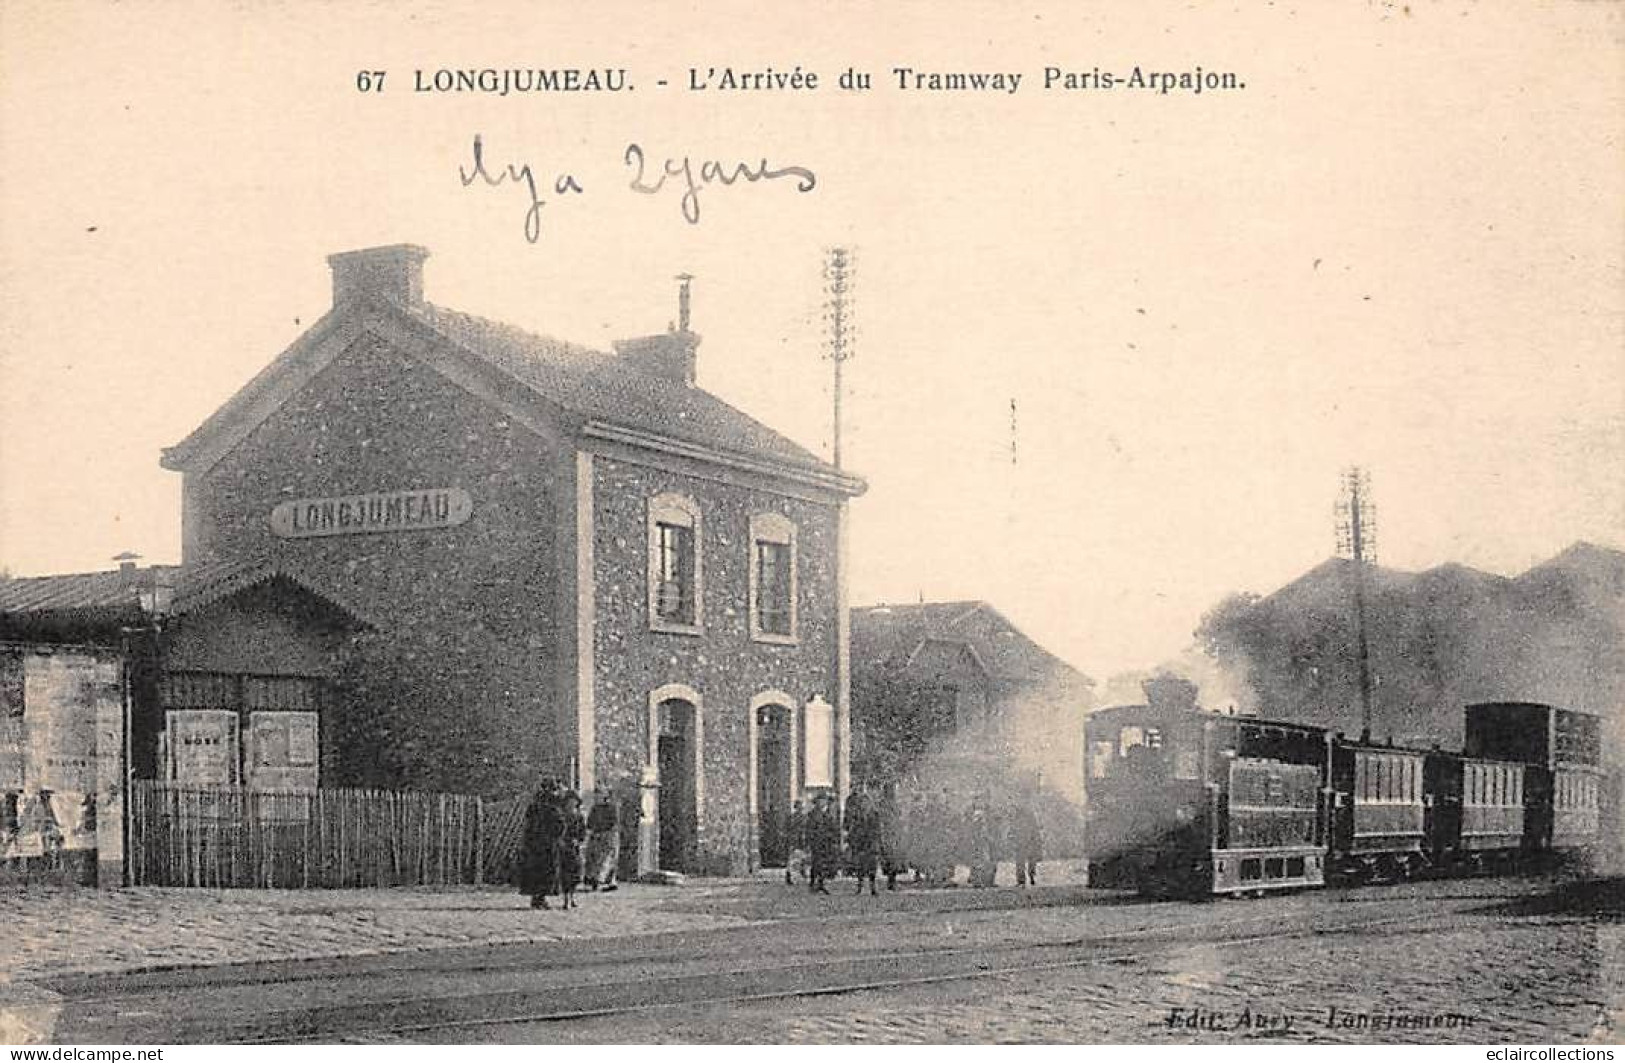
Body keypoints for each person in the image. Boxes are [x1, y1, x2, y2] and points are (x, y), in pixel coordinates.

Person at [518, 779, 564, 909]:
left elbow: (528, 823)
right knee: (546, 870)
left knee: (536, 870)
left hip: (534, 842)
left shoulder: (535, 804)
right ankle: (540, 898)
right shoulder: (553, 804)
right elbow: (558, 823)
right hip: (546, 842)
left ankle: (536, 897)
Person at [583, 784, 621, 891]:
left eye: (600, 794)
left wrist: (607, 832)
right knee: (594, 859)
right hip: (596, 835)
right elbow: (590, 823)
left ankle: (606, 880)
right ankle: (595, 880)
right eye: (596, 794)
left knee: (607, 859)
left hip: (608, 835)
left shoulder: (612, 807)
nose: (597, 796)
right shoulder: (594, 808)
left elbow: (614, 823)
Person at [845, 785, 880, 896]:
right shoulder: (857, 816)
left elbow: (877, 829)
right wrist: (852, 840)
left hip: (871, 843)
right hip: (860, 843)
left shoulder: (874, 815)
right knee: (860, 866)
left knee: (872, 866)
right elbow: (852, 828)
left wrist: (877, 841)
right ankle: (860, 886)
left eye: (866, 803)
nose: (864, 805)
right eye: (862, 803)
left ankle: (873, 886)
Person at [556, 790, 587, 910]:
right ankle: (566, 899)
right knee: (565, 873)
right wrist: (560, 840)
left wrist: (579, 841)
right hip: (563, 847)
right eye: (569, 801)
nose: (571, 803)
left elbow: (583, 832)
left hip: (575, 847)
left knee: (576, 872)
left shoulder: (579, 816)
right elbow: (557, 829)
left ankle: (572, 897)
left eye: (573, 801)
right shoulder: (561, 815)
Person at [807, 791, 839, 894]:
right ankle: (813, 883)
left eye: (824, 800)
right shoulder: (812, 814)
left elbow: (833, 828)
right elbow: (810, 829)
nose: (822, 802)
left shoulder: (828, 814)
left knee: (824, 864)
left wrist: (833, 837)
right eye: (821, 800)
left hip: (826, 842)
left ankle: (821, 883)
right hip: (816, 842)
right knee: (816, 863)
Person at [1012, 789, 1043, 887]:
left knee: (1023, 858)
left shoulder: (1023, 810)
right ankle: (1028, 877)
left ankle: (1024, 878)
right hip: (1026, 836)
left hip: (1025, 836)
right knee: (1027, 858)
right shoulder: (1028, 810)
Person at [878, 782, 905, 891]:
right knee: (889, 858)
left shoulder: (894, 804)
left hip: (894, 833)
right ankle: (891, 880)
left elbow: (899, 817)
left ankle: (892, 880)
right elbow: (882, 818)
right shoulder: (884, 804)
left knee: (893, 858)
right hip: (888, 833)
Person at [784, 798, 808, 885]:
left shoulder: (795, 817)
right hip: (796, 840)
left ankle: (796, 874)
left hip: (797, 840)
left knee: (798, 858)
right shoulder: (799, 818)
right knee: (795, 859)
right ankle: (792, 875)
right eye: (799, 806)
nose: (800, 808)